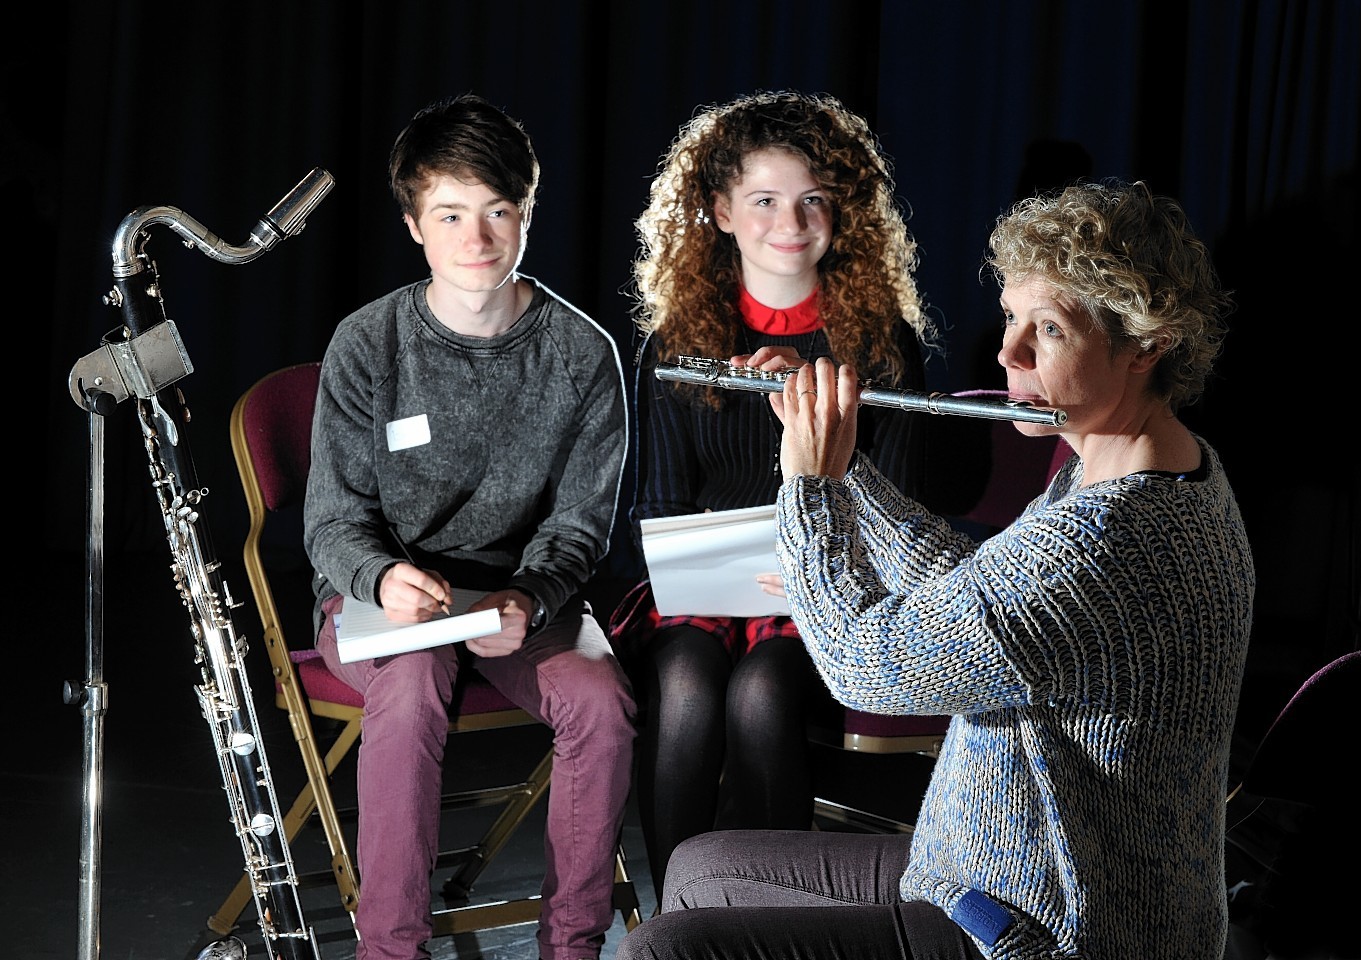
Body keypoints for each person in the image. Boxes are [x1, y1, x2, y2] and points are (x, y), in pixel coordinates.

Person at [614, 178, 1254, 960]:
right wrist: (846, 463)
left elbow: (863, 668)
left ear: (1146, 346)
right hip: (982, 867)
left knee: (665, 949)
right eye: (1013, 316)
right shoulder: (1129, 467)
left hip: (1046, 928)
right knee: (699, 868)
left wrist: (810, 484)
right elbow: (982, 592)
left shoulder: (1115, 535)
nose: (1006, 351)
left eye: (1046, 330)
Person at [608, 89, 987, 909]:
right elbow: (662, 507)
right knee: (686, 689)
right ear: (718, 211)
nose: (792, 220)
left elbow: (907, 509)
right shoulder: (679, 341)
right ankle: (679, 917)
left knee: (763, 691)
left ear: (840, 211)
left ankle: (775, 915)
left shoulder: (880, 343)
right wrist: (718, 569)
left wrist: (816, 417)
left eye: (814, 199)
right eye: (766, 200)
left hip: (830, 587)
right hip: (705, 591)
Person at [303, 93, 636, 960]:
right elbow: (333, 518)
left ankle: (572, 946)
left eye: (498, 211)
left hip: (521, 597)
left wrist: (529, 594)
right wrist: (378, 578)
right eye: (451, 214)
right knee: (411, 693)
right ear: (415, 224)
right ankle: (392, 950)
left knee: (601, 705)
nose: (477, 239)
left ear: (526, 213)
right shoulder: (367, 343)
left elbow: (580, 524)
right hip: (389, 597)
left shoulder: (581, 353)